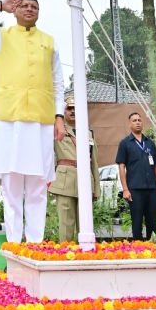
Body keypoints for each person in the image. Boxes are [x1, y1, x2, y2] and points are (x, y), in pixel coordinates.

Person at [0, 0, 65, 243]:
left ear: (38, 12)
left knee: (37, 185)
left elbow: (58, 82)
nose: (29, 9)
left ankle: (34, 244)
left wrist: (59, 116)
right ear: (16, 10)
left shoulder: (49, 41)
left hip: (41, 122)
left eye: (34, 6)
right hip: (9, 120)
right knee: (11, 186)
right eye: (24, 5)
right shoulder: (0, 36)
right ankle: (13, 244)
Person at [48, 96, 100, 243]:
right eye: (69, 109)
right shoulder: (57, 130)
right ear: (63, 112)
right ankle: (66, 257)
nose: (72, 111)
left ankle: (85, 255)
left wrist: (96, 189)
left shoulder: (88, 133)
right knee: (66, 225)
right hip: (65, 182)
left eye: (75, 109)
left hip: (85, 181)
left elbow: (95, 162)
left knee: (86, 225)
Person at [116, 111, 156, 241]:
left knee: (152, 222)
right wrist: (125, 189)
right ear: (129, 124)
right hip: (135, 189)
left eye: (139, 120)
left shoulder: (150, 143)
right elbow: (121, 166)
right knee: (136, 222)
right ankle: (137, 250)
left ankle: (153, 249)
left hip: (151, 189)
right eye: (134, 120)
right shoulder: (125, 143)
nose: (137, 122)